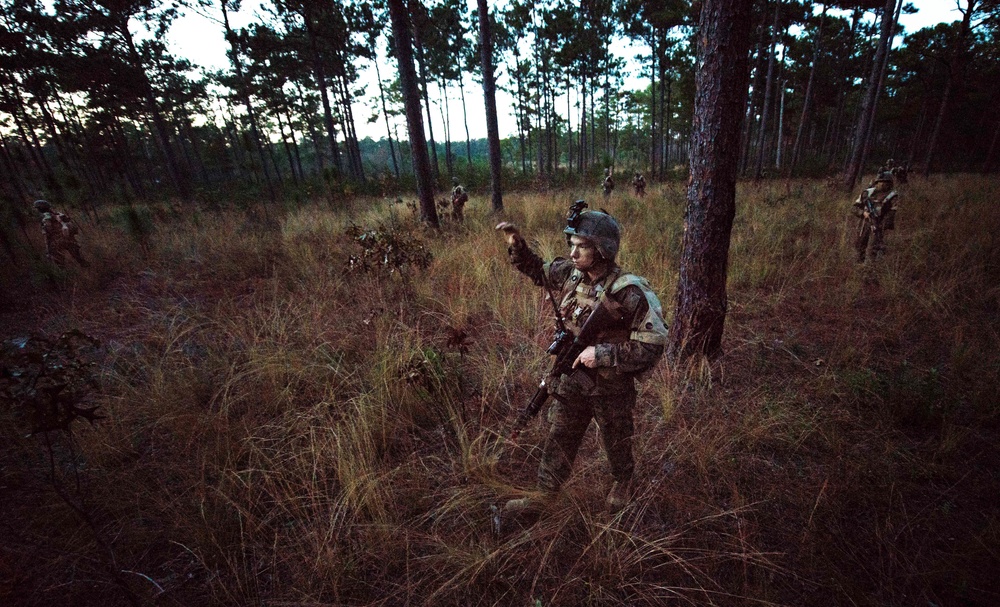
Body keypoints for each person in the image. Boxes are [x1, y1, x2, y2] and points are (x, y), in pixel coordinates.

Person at [495, 201, 668, 516]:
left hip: (611, 387)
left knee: (617, 440)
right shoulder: (571, 275)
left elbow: (653, 345)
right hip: (573, 381)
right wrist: (516, 245)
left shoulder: (629, 291)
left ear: (603, 249)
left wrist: (599, 354)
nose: (573, 254)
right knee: (559, 437)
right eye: (571, 245)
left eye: (582, 246)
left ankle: (623, 481)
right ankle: (544, 496)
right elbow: (539, 269)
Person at [852, 170, 898, 263]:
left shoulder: (892, 196)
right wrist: (863, 213)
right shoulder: (867, 193)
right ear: (877, 182)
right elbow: (854, 208)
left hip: (879, 224)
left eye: (886, 183)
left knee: (875, 248)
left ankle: (871, 267)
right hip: (864, 223)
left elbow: (891, 214)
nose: (883, 185)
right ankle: (859, 265)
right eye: (882, 182)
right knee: (860, 245)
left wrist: (881, 226)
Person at [33, 199, 88, 267]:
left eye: (37, 208)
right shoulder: (58, 214)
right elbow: (68, 219)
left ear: (41, 208)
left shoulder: (45, 218)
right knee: (79, 258)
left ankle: (67, 275)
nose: (37, 210)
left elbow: (47, 233)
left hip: (57, 242)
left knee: (60, 263)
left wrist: (48, 249)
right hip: (68, 238)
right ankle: (88, 268)